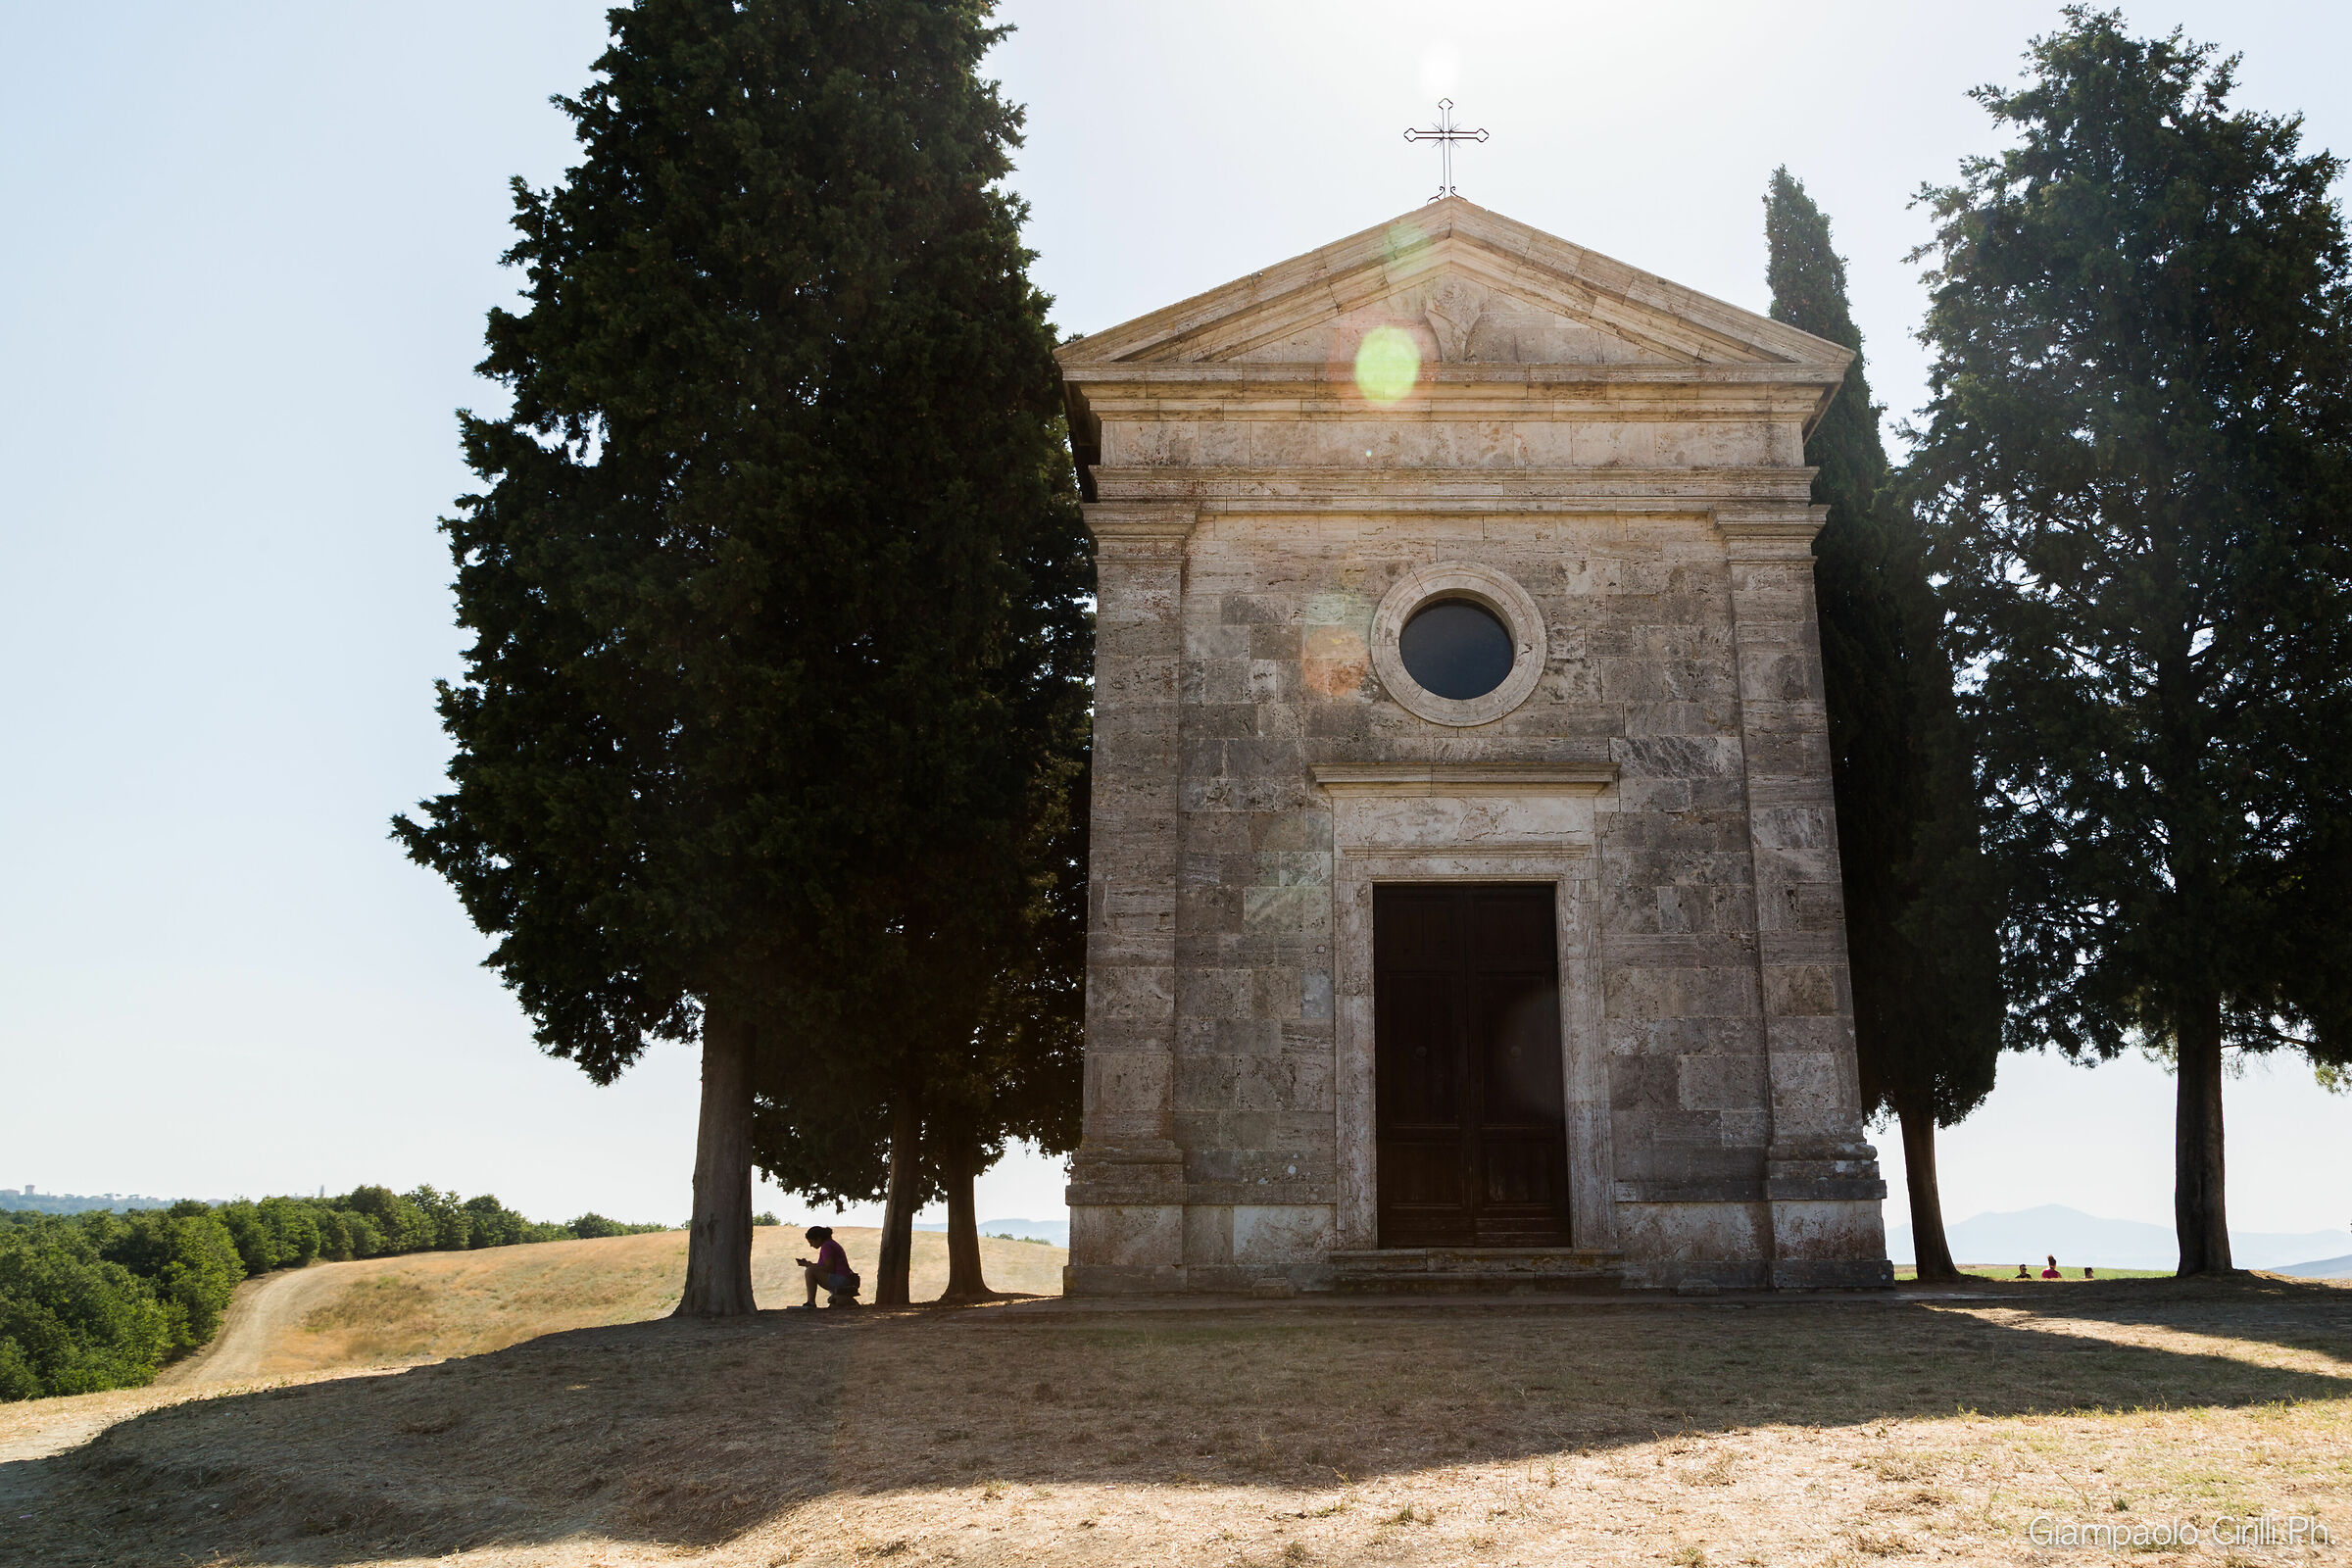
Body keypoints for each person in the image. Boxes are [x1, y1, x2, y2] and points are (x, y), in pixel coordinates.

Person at [798, 1225, 859, 1308]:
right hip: (845, 1278)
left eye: (811, 1242)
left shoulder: (826, 1246)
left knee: (810, 1271)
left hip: (841, 1280)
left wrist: (810, 1267)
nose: (811, 1245)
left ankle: (811, 1302)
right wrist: (810, 1265)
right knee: (811, 1269)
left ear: (818, 1238)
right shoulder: (830, 1244)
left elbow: (829, 1268)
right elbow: (824, 1267)